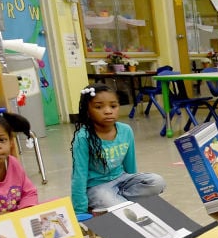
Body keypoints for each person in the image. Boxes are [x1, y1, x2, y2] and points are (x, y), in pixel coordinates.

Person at [71, 84, 166, 215]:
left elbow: (130, 165)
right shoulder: (83, 137)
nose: (108, 111)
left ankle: (116, 202)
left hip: (122, 180)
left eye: (113, 106)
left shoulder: (125, 130)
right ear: (87, 110)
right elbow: (79, 175)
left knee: (157, 182)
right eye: (99, 107)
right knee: (121, 208)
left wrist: (132, 183)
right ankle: (107, 203)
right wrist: (80, 211)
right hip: (97, 187)